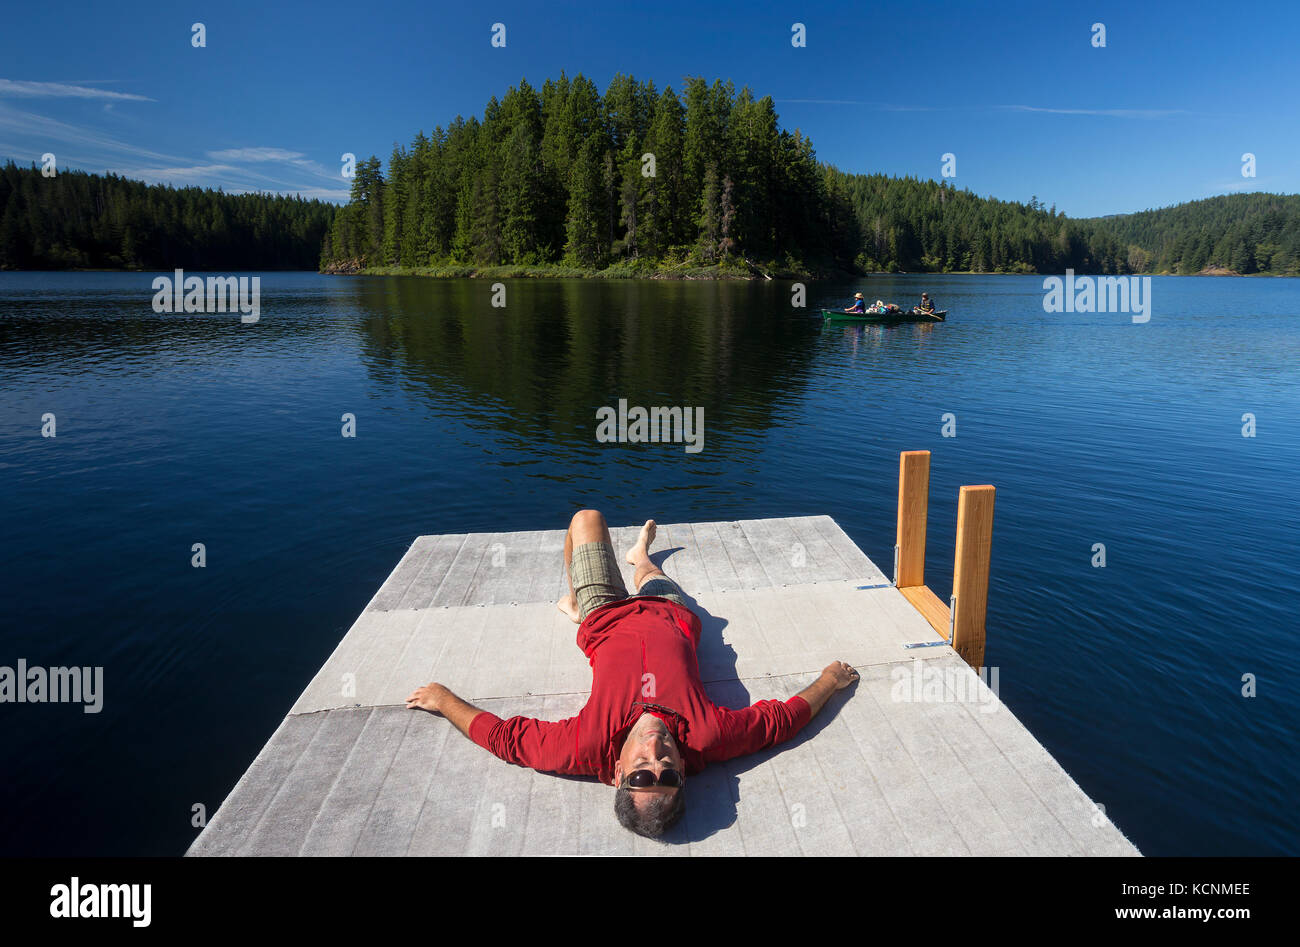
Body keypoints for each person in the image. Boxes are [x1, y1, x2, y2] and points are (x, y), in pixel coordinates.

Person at [405, 510, 859, 839]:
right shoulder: (710, 738)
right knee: (650, 573)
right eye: (669, 770)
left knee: (586, 518)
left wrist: (444, 701)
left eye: (643, 769)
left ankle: (578, 602)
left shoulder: (581, 747)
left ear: (618, 772)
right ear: (684, 772)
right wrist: (829, 681)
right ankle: (639, 555)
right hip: (671, 614)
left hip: (603, 617)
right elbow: (784, 720)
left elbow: (505, 739)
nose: (657, 753)